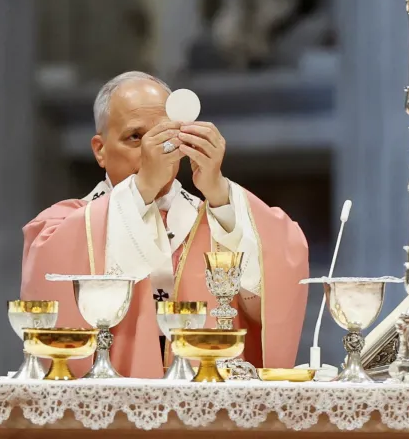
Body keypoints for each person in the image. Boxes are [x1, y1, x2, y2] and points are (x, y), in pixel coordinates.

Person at [21, 71, 309, 378]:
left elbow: (276, 283)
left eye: (165, 136)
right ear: (100, 149)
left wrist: (220, 195)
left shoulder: (216, 216)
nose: (152, 152)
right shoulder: (66, 224)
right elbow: (47, 266)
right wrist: (142, 189)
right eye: (135, 138)